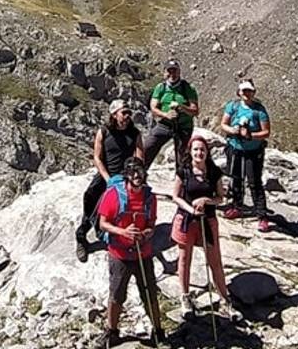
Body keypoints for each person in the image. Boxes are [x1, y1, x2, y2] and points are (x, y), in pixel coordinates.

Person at [96, 156, 164, 348]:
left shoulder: (150, 198)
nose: (137, 176)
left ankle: (158, 332)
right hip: (119, 254)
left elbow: (151, 224)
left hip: (143, 252)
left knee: (149, 293)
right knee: (117, 294)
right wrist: (123, 232)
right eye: (133, 172)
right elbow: (103, 223)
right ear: (126, 175)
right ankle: (111, 331)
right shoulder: (113, 195)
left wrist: (146, 233)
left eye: (140, 172)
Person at [77, 99, 145, 262]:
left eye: (129, 112)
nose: (128, 116)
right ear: (114, 115)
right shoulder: (104, 131)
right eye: (124, 112)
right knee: (92, 202)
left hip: (127, 176)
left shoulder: (134, 133)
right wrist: (108, 179)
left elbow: (140, 155)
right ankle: (81, 238)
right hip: (107, 175)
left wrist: (134, 174)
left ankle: (128, 239)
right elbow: (97, 158)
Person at [171, 135, 231, 314]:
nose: (199, 153)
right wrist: (190, 209)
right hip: (187, 220)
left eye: (202, 149)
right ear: (190, 152)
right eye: (196, 149)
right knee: (184, 259)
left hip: (208, 220)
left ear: (207, 152)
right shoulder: (183, 171)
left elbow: (220, 198)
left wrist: (207, 200)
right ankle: (185, 297)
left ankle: (224, 297)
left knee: (215, 260)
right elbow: (175, 196)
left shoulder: (214, 172)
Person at [220, 79, 273, 231]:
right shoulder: (233, 106)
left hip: (253, 151)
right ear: (239, 92)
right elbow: (224, 124)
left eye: (249, 91)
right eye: (244, 91)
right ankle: (237, 206)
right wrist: (233, 131)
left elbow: (266, 132)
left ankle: (261, 215)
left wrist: (251, 135)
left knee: (254, 181)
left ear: (253, 92)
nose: (246, 94)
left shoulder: (259, 110)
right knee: (236, 178)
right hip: (235, 147)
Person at [145, 59, 199, 164]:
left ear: (179, 72)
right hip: (165, 124)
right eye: (169, 71)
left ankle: (182, 177)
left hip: (184, 126)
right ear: (165, 72)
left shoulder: (188, 88)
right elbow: (153, 107)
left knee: (182, 157)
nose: (172, 74)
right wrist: (166, 114)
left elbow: (195, 110)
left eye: (175, 71)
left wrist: (182, 107)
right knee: (148, 147)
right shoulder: (160, 87)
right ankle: (140, 173)